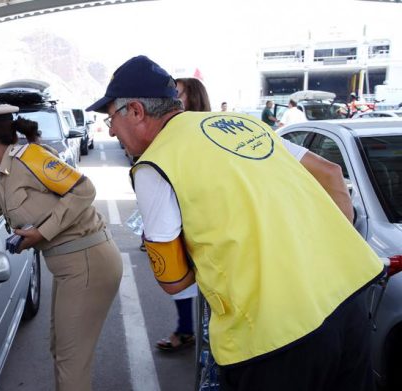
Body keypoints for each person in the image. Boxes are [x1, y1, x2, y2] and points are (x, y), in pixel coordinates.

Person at [87, 55, 383, 391]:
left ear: (136, 111)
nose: (111, 131)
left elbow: (173, 281)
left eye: (111, 118)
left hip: (273, 335)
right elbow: (330, 173)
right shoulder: (245, 124)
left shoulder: (156, 164)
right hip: (348, 303)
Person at [0, 104, 123, 391]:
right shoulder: (5, 177)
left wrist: (41, 232)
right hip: (73, 266)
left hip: (88, 261)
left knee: (71, 362)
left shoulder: (30, 157)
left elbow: (84, 190)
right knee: (61, 350)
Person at [154, 76, 209, 352]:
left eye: (177, 94)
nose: (169, 100)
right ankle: (187, 329)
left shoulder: (204, 136)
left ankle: (191, 333)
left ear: (193, 99)